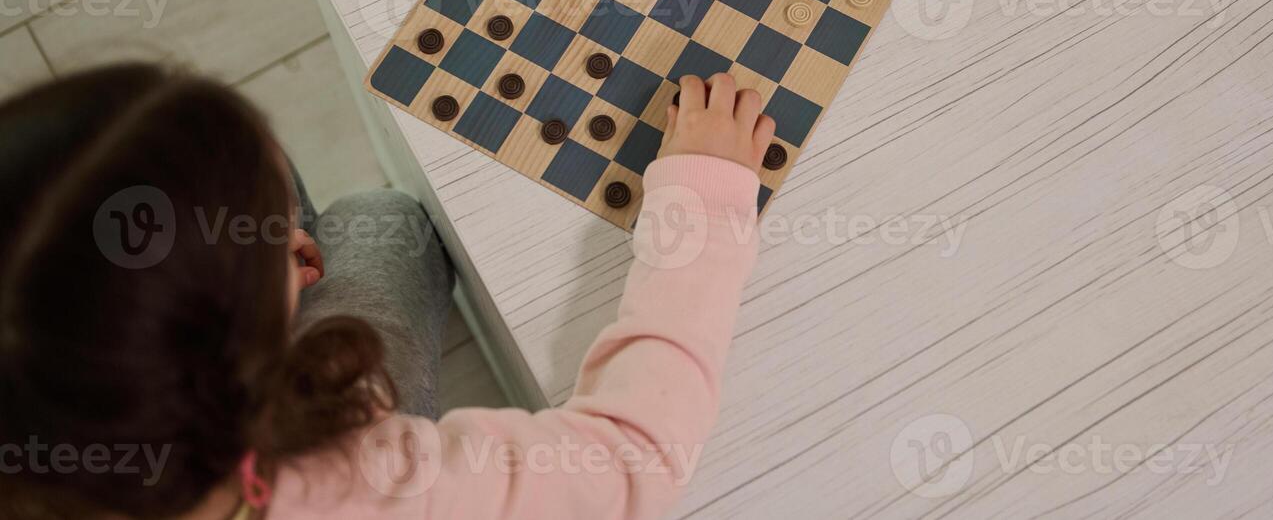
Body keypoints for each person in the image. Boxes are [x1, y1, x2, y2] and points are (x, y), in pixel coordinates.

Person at [0, 64, 772, 519]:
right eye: (261, 235)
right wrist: (704, 201)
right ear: (230, 360)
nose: (281, 233)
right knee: (380, 217)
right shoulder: (366, 480)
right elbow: (636, 456)